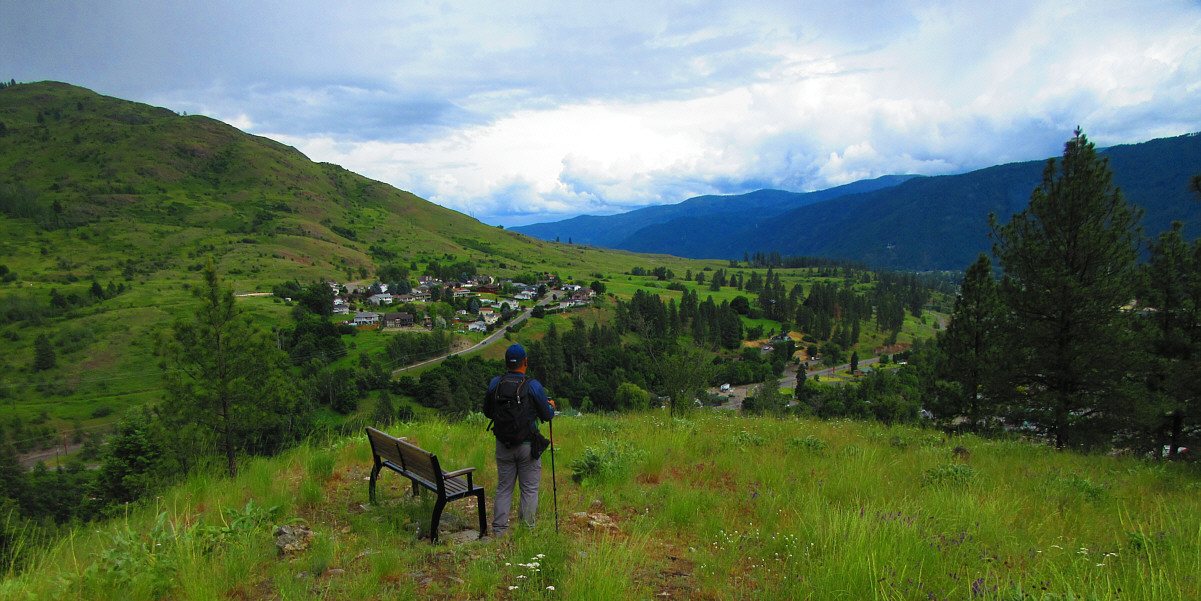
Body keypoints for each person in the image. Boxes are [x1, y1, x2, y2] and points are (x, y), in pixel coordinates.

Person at [483, 343, 554, 537]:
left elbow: (487, 412)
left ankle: (499, 531)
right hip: (528, 446)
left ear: (506, 363)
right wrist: (551, 407)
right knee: (529, 489)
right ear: (525, 362)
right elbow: (546, 415)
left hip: (503, 444)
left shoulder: (495, 383)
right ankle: (526, 531)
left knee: (504, 488)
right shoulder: (532, 385)